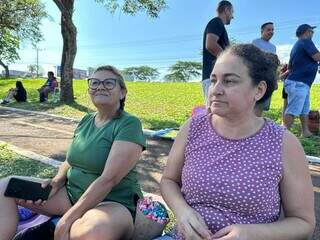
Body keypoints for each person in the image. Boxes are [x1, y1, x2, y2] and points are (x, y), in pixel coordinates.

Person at [160, 44, 315, 240]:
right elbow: (168, 181)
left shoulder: (283, 142)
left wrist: (251, 233)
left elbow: (303, 223)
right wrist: (182, 211)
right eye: (214, 80)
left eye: (229, 81)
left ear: (258, 90)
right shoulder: (193, 127)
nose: (215, 90)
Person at [0, 65, 146, 240]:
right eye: (95, 83)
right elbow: (70, 161)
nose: (100, 86)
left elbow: (109, 179)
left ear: (122, 92)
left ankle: (71, 223)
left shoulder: (129, 124)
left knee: (88, 232)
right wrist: (57, 181)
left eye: (109, 83)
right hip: (70, 196)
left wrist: (66, 220)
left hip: (111, 203)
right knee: (7, 187)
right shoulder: (86, 120)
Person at [283, 24, 320, 138]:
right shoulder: (305, 41)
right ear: (306, 32)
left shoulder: (297, 45)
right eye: (311, 31)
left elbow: (291, 67)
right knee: (293, 110)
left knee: (304, 110)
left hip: (301, 83)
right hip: (298, 83)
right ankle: (282, 136)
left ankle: (305, 132)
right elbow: (317, 57)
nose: (312, 34)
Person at [202, 0, 233, 103]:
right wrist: (229, 62)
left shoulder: (219, 24)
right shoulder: (217, 22)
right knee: (213, 112)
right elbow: (210, 45)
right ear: (227, 10)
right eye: (232, 12)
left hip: (217, 78)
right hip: (213, 78)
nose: (233, 16)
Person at [252, 22, 277, 116]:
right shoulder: (255, 42)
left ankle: (257, 124)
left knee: (263, 105)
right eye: (268, 29)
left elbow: (274, 64)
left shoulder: (273, 47)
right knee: (255, 101)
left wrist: (275, 80)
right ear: (262, 31)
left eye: (272, 30)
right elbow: (252, 60)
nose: (271, 32)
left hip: (269, 77)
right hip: (258, 77)